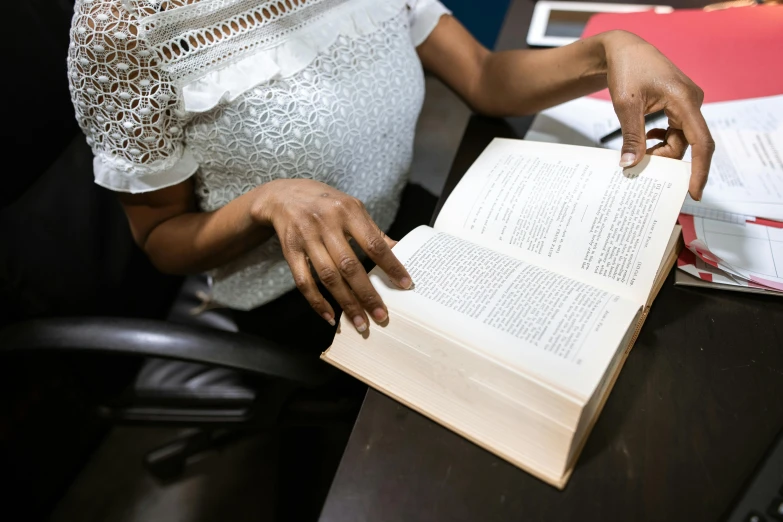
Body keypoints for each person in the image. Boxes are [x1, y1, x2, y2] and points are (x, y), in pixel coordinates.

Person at [68, 0, 714, 348]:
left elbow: (483, 79)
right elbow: (161, 240)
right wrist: (266, 200)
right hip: (297, 289)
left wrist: (608, 50)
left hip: (404, 221)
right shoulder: (123, 27)